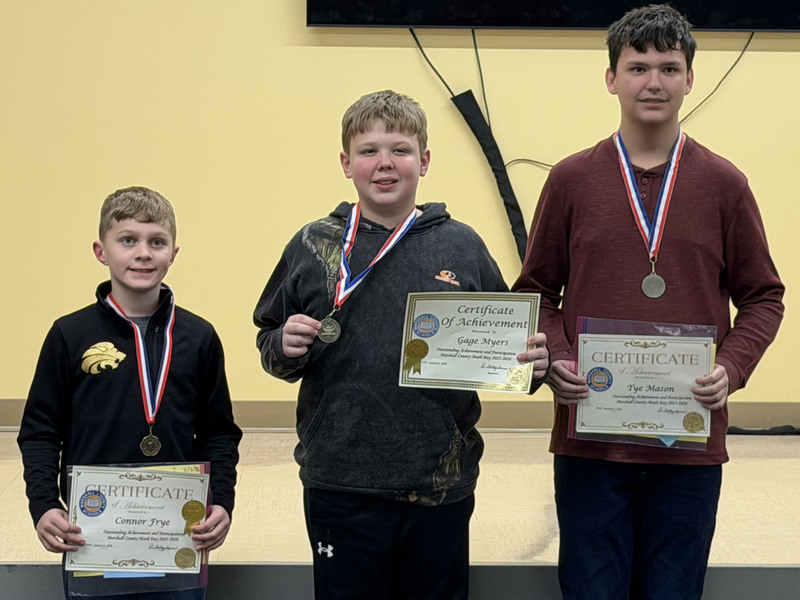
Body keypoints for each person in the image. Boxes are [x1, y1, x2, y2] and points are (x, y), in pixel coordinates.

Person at [513, 5, 785, 599]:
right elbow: (535, 292)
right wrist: (557, 359)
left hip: (687, 445)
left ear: (691, 78)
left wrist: (731, 368)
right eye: (637, 67)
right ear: (610, 78)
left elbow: (764, 297)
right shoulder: (570, 179)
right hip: (591, 442)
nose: (654, 82)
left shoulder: (725, 184)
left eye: (669, 67)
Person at [253, 90, 550, 599]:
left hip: (439, 481)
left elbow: (510, 349)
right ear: (346, 163)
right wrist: (285, 343)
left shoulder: (461, 244)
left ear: (425, 160)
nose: (384, 163)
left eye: (401, 150)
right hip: (339, 478)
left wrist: (533, 366)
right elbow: (269, 342)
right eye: (368, 150)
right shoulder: (312, 245)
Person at [18, 186, 243, 600]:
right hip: (92, 536)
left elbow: (219, 433)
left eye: (156, 242)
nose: (143, 253)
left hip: (177, 537)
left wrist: (222, 502)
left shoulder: (199, 337)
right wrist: (45, 504)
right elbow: (40, 431)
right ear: (101, 251)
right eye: (128, 240)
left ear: (173, 253)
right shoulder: (69, 334)